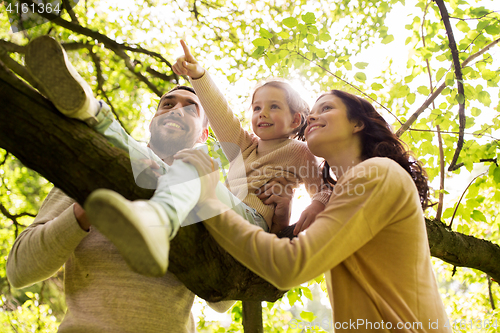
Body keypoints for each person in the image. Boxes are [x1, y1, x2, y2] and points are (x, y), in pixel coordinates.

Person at [6, 35, 292, 332]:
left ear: (205, 134)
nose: (175, 109)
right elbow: (19, 271)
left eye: (190, 107)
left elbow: (222, 299)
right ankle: (89, 109)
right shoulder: (90, 171)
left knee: (194, 165)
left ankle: (94, 113)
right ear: (153, 119)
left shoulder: (210, 189)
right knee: (136, 157)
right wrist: (85, 210)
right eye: (167, 104)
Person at [176, 90, 452, 332]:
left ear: (358, 123)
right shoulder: (347, 192)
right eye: (313, 112)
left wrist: (209, 198)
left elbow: (290, 265)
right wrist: (283, 216)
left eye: (327, 108)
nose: (313, 117)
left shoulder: (376, 173)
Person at [173, 40, 331, 234]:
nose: (262, 113)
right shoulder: (244, 145)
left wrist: (316, 205)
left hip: (252, 218)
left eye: (274, 106)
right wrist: (198, 75)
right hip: (222, 210)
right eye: (257, 108)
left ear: (295, 120)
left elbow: (323, 189)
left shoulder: (299, 151)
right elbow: (220, 112)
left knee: (198, 176)